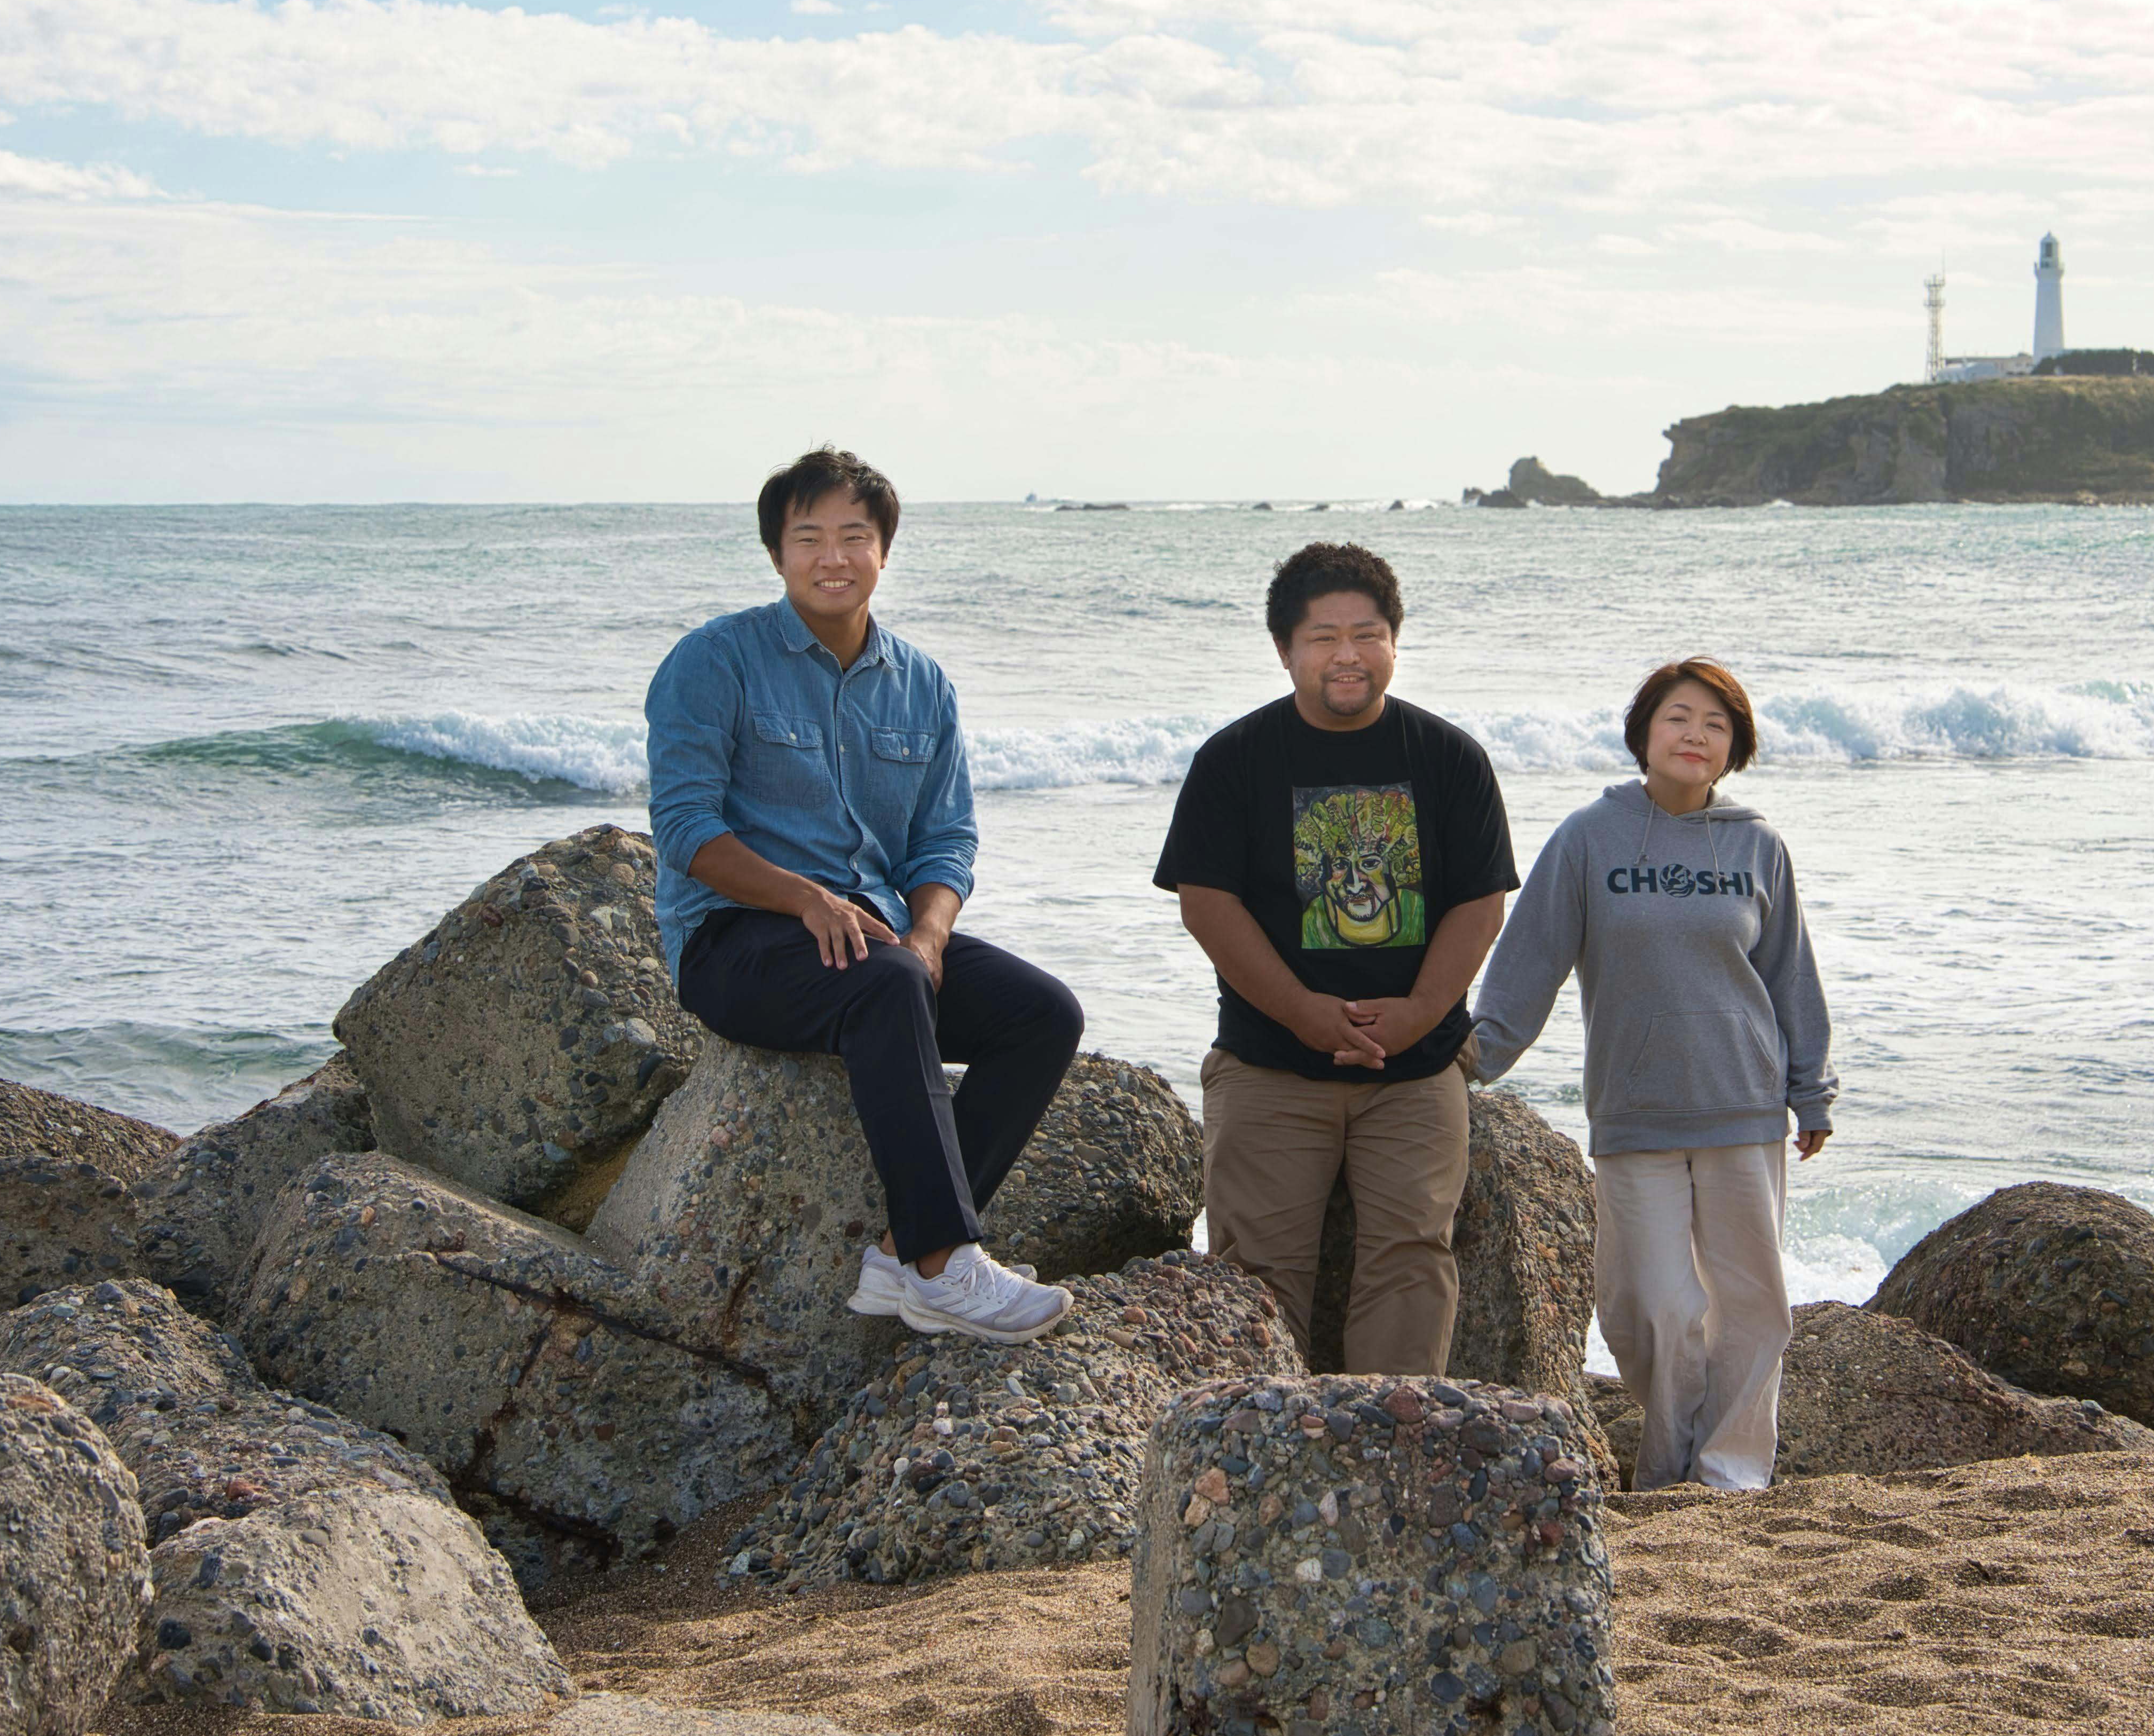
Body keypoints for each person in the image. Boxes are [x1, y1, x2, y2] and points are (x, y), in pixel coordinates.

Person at [644, 446, 1082, 1345]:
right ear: (776, 553)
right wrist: (805, 898)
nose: (832, 557)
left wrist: (928, 935)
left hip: (876, 938)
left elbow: (946, 839)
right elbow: (685, 827)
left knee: (1042, 1013)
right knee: (885, 982)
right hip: (736, 942)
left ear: (884, 550)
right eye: (808, 538)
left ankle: (898, 1255)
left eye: (854, 536)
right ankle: (943, 1262)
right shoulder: (713, 660)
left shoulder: (923, 684)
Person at [1469, 659, 1836, 1490]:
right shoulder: (1588, 837)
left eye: (1715, 724)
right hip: (1635, 1108)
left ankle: (1728, 1474)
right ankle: (1669, 1459)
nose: (1694, 735)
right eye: (1677, 717)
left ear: (1735, 746)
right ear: (1644, 732)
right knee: (1650, 1307)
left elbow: (1789, 974)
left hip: (1743, 1104)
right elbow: (1530, 957)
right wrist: (1473, 1056)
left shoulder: (1757, 844)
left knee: (1751, 1305)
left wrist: (1810, 1090)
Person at [1153, 542, 1517, 1375]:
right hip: (1270, 1060)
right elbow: (1206, 904)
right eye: (1323, 637)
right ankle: (1260, 1434)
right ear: (1285, 649)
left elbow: (1479, 904)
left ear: (1394, 642)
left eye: (1367, 634)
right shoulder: (1234, 759)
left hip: (1414, 1067)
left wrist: (1420, 1011)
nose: (1347, 655)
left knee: (1412, 1257)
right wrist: (1303, 1012)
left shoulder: (1449, 757)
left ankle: (1393, 1430)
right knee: (1255, 1273)